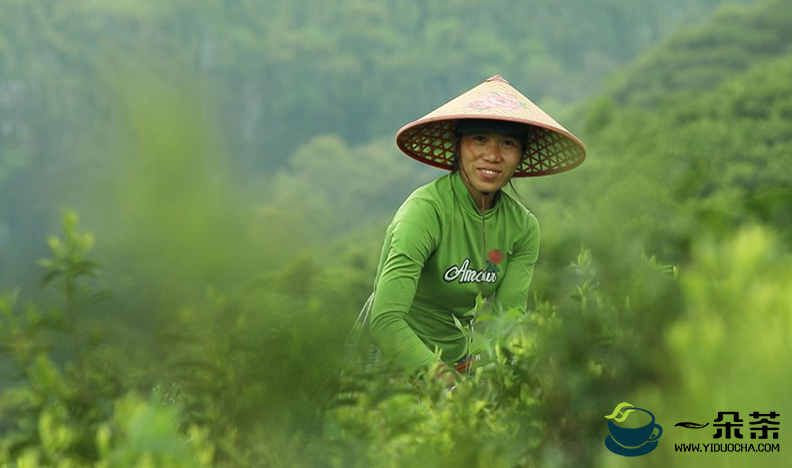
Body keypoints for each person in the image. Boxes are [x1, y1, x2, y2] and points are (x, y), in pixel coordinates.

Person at [348, 75, 586, 385]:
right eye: (480, 139)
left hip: (458, 366)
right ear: (458, 146)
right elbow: (385, 320)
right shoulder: (425, 212)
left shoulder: (522, 227)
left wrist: (498, 374)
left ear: (521, 155)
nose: (493, 154)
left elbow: (506, 323)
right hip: (385, 363)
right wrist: (440, 377)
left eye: (508, 143)